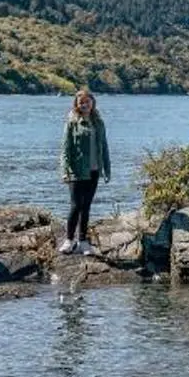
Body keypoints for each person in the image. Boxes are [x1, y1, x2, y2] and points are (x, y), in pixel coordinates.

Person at [59, 89, 110, 256]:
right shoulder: (72, 122)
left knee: (86, 206)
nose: (84, 104)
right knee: (75, 205)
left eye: (87, 101)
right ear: (76, 104)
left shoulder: (99, 123)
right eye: (81, 102)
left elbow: (104, 146)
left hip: (94, 170)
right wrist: (65, 170)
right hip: (76, 170)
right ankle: (68, 241)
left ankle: (83, 242)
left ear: (92, 103)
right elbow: (65, 149)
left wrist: (107, 169)